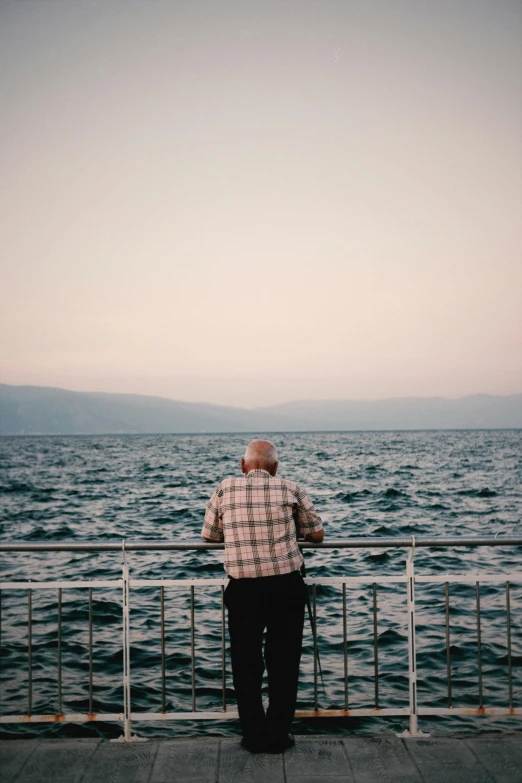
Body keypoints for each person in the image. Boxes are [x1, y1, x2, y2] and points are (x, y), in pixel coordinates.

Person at [202, 439, 324, 754]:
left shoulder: (225, 488)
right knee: (284, 664)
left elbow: (210, 535)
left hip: (243, 590)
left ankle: (254, 736)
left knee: (246, 664)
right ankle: (278, 736)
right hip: (285, 587)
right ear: (275, 467)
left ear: (244, 466)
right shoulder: (291, 488)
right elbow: (317, 535)